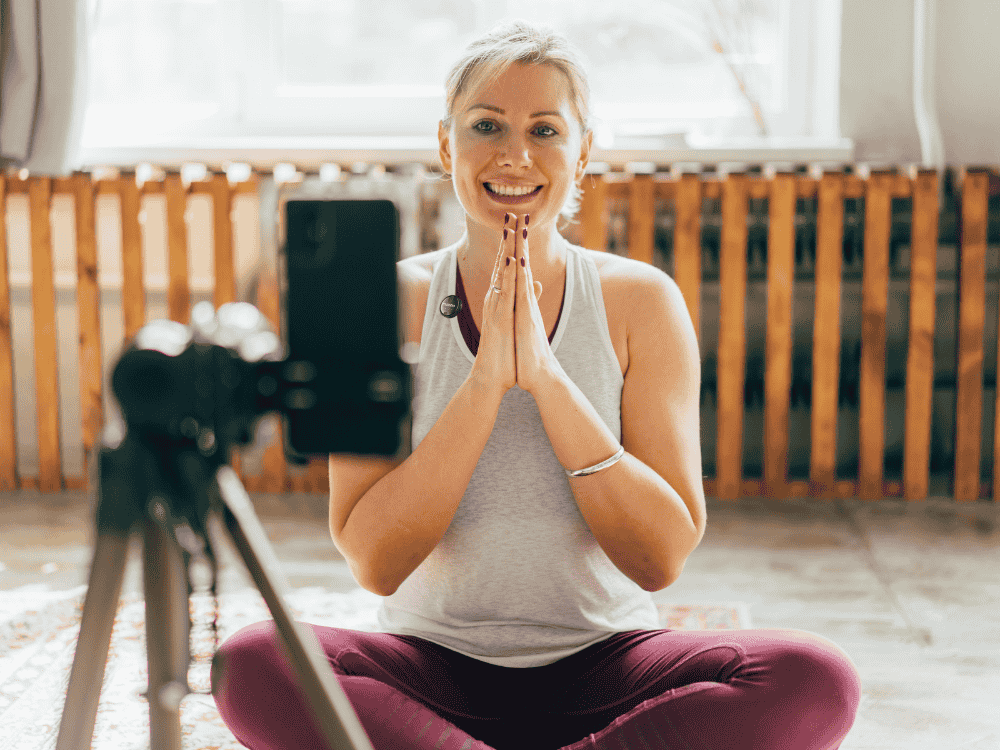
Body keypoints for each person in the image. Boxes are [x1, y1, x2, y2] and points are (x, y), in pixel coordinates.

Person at [210, 19, 862, 750]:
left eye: (545, 130)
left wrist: (548, 382)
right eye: (486, 124)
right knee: (252, 663)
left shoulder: (640, 301)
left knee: (813, 676)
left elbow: (661, 557)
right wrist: (485, 386)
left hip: (608, 664)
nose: (514, 154)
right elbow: (375, 562)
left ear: (582, 151)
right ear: (446, 143)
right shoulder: (381, 300)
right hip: (429, 667)